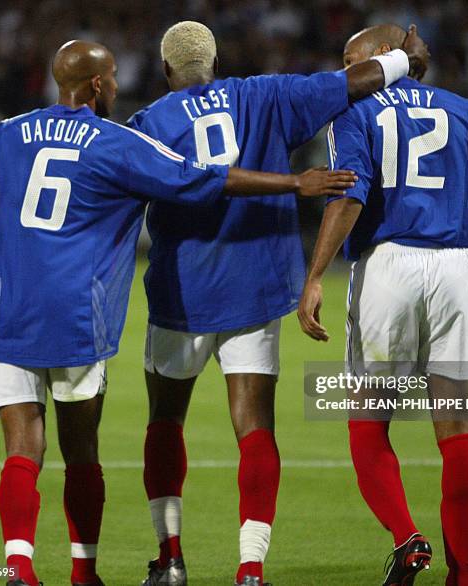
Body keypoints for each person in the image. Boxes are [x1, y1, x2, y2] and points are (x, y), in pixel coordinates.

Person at [0, 40, 357, 586]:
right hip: (79, 318)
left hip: (9, 314)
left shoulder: (6, 133)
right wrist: (294, 182)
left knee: (25, 448)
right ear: (96, 86)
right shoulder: (118, 141)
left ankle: (24, 565)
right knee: (85, 450)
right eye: (112, 76)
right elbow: (199, 179)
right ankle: (96, 572)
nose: (117, 85)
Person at [127, 20, 429, 586]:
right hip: (256, 288)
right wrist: (402, 59)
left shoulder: (147, 125)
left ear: (167, 70)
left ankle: (170, 560)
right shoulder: (263, 94)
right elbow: (349, 83)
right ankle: (250, 568)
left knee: (165, 423)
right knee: (256, 428)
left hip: (181, 292)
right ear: (216, 61)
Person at [297, 24, 468, 586]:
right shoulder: (466, 110)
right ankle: (462, 575)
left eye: (351, 61)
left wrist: (315, 275)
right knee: (458, 428)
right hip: (456, 270)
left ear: (383, 58)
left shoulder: (354, 111)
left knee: (367, 419)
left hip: (387, 268)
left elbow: (349, 193)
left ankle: (407, 538)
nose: (345, 75)